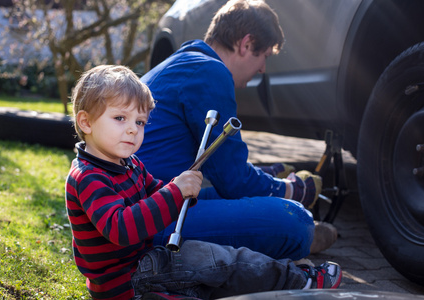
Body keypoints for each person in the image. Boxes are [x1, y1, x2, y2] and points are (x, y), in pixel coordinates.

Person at [65, 64, 342, 300]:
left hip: (143, 263)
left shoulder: (127, 163)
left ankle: (287, 278)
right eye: (120, 118)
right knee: (219, 261)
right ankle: (298, 282)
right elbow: (121, 228)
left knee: (219, 265)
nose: (132, 129)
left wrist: (180, 187)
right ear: (86, 123)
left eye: (140, 122)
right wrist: (175, 193)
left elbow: (153, 190)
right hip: (129, 280)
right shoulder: (89, 177)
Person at [136, 0, 337, 260]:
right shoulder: (211, 71)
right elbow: (232, 180)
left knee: (234, 198)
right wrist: (292, 190)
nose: (263, 68)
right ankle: (294, 234)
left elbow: (218, 167)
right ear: (246, 44)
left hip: (141, 207)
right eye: (264, 56)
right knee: (295, 219)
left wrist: (266, 177)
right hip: (150, 221)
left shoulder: (185, 62)